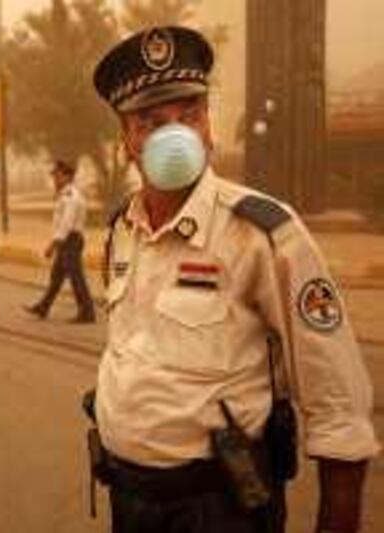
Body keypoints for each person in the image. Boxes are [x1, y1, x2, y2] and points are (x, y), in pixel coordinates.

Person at [87, 25, 379, 533]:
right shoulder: (121, 229)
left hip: (221, 507)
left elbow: (337, 400)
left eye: (190, 115)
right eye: (151, 121)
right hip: (129, 501)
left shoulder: (264, 231)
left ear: (208, 125)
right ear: (127, 141)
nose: (174, 134)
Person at [24, 160, 96, 324]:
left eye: (57, 175)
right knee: (56, 277)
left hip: (71, 240)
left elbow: (67, 224)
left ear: (67, 176)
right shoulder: (66, 195)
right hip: (68, 241)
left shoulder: (71, 197)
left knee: (76, 277)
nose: (54, 179)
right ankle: (43, 306)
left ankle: (87, 312)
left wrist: (53, 244)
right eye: (54, 176)